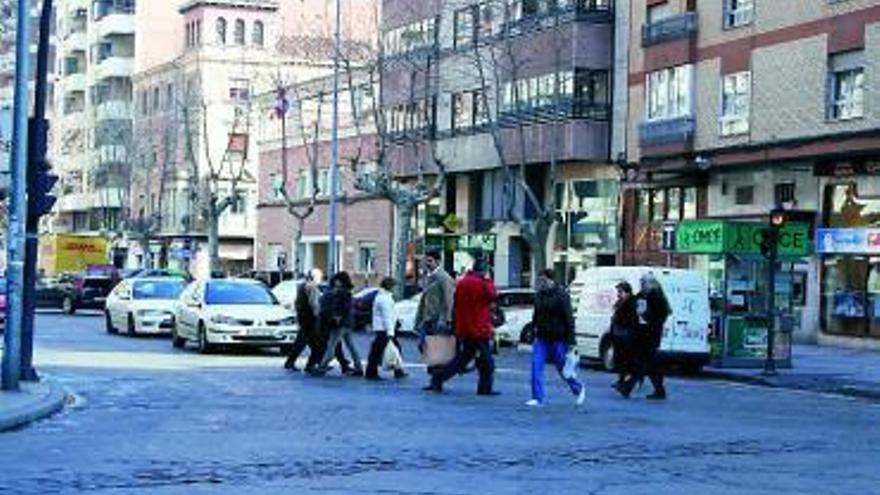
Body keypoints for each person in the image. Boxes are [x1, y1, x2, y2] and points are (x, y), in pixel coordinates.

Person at [424, 258, 498, 396]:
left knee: (463, 359)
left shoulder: (463, 282)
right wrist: (488, 280)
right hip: (478, 327)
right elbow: (492, 294)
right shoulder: (482, 283)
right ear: (485, 270)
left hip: (465, 326)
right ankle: (484, 388)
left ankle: (438, 378)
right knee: (486, 361)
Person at [526, 269, 585, 407]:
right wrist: (533, 330)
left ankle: (578, 388)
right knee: (536, 365)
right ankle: (537, 397)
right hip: (542, 337)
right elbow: (536, 315)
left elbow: (569, 319)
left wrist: (571, 341)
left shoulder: (562, 295)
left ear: (551, 280)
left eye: (543, 280)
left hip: (559, 338)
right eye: (539, 280)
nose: (541, 283)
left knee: (562, 368)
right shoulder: (539, 295)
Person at [624, 272, 672, 400]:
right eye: (641, 283)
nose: (642, 285)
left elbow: (663, 314)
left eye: (644, 283)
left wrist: (649, 319)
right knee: (648, 363)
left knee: (645, 362)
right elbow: (634, 310)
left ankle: (629, 386)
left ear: (650, 284)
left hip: (651, 334)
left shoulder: (657, 297)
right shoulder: (640, 296)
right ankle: (659, 390)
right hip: (640, 333)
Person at [315, 271, 364, 377]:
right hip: (347, 323)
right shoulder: (347, 292)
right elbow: (347, 308)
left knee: (331, 345)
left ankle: (322, 367)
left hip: (340, 323)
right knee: (351, 346)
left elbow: (342, 308)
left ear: (342, 281)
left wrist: (337, 316)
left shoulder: (341, 292)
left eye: (338, 280)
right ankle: (359, 367)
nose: (336, 282)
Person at [414, 251, 456, 373]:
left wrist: (446, 319)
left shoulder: (443, 278)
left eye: (430, 260)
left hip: (437, 320)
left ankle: (437, 377)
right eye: (426, 260)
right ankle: (435, 374)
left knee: (435, 349)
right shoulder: (429, 277)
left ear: (438, 262)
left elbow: (449, 300)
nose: (427, 263)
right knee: (424, 345)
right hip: (428, 319)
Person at [365, 277, 407, 380]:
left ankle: (397, 370)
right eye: (394, 286)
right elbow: (387, 316)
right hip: (384, 329)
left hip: (382, 329)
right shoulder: (385, 299)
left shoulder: (383, 297)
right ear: (390, 286)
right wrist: (390, 332)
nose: (396, 288)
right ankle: (372, 372)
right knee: (379, 350)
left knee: (383, 349)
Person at [283, 272, 321, 372]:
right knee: (315, 344)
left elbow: (296, 303)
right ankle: (311, 364)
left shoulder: (300, 287)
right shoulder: (312, 287)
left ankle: (312, 363)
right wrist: (317, 315)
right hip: (310, 319)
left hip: (302, 317)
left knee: (306, 342)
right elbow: (314, 304)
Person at [610, 281, 639, 396]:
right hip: (618, 334)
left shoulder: (632, 302)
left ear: (627, 292)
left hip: (626, 335)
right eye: (618, 291)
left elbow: (632, 319)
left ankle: (626, 383)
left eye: (620, 291)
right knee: (620, 359)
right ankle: (621, 380)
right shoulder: (620, 302)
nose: (618, 294)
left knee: (628, 360)